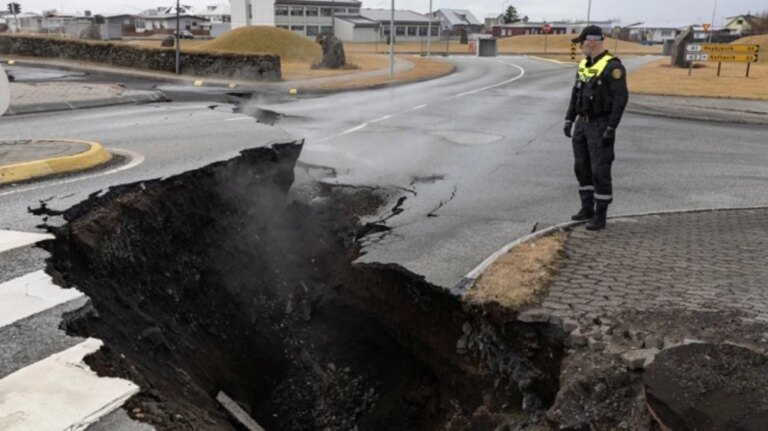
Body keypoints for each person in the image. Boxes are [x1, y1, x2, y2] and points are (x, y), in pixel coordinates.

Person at [563, 25, 628, 230]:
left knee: (599, 170)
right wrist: (569, 119)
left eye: (582, 42)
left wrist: (611, 127)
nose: (581, 46)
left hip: (600, 124)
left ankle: (600, 215)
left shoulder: (612, 67)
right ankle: (586, 207)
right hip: (583, 124)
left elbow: (620, 98)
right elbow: (576, 94)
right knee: (581, 168)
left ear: (591, 41)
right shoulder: (584, 64)